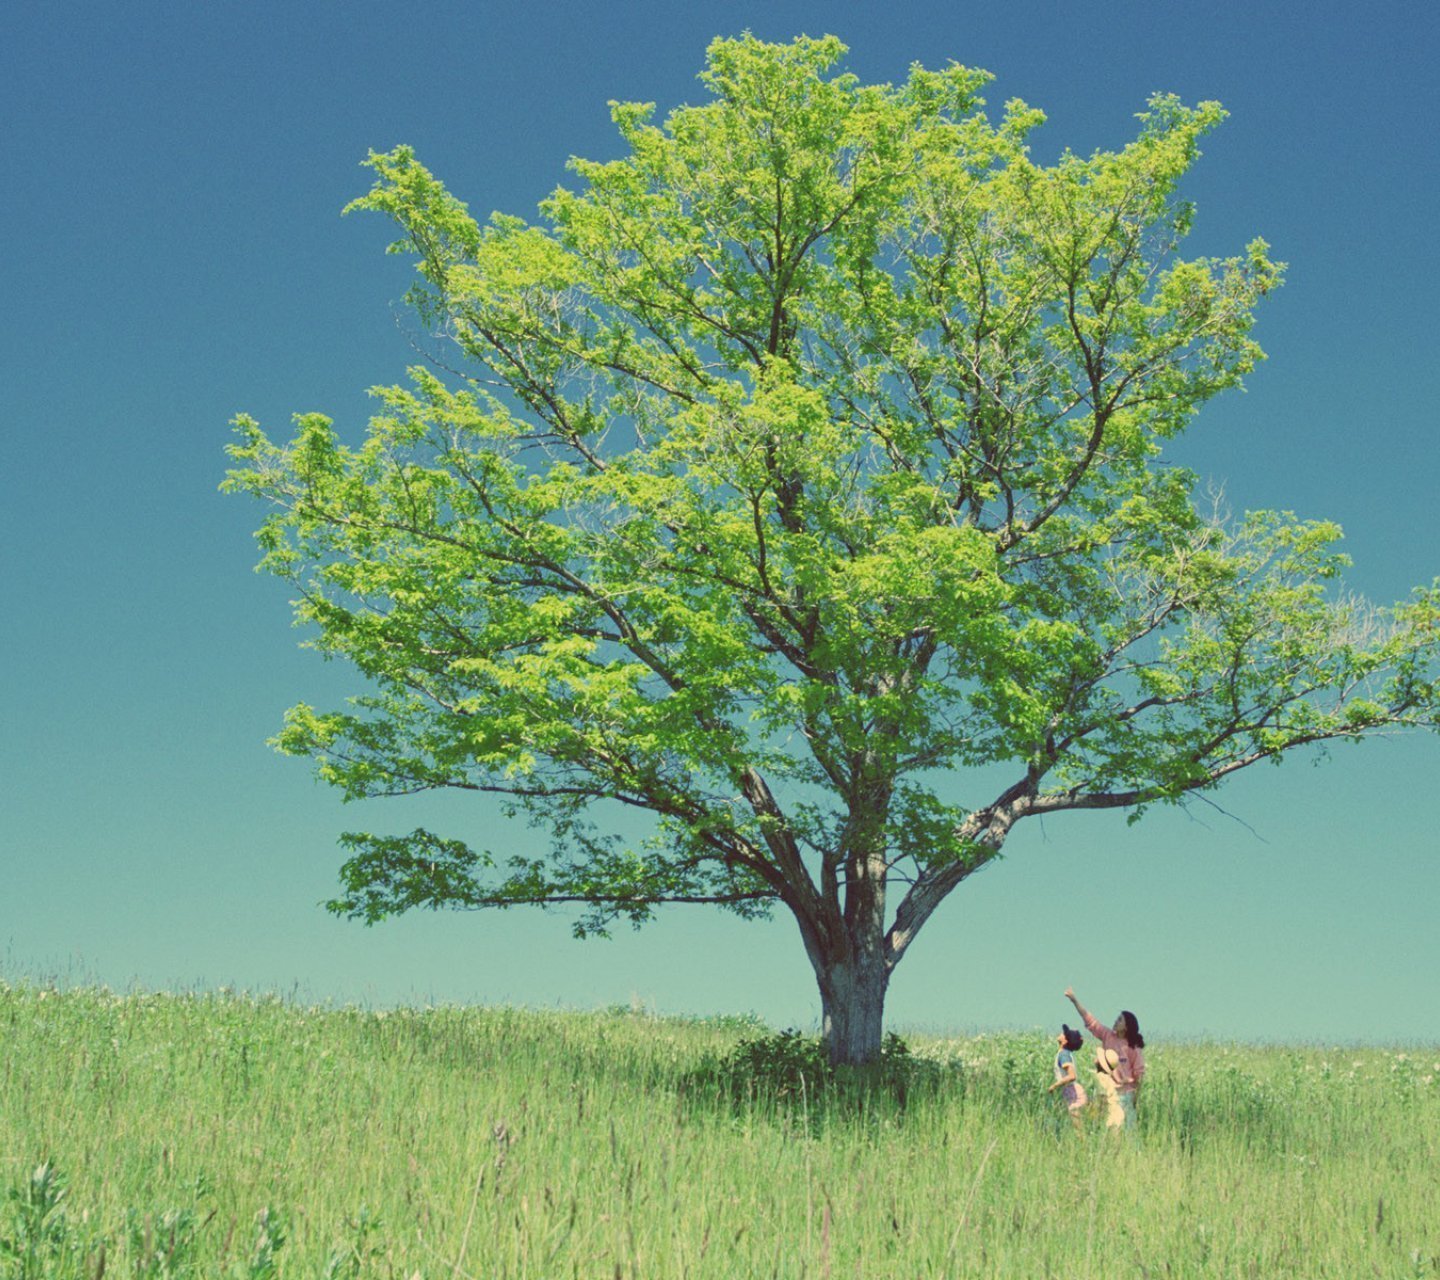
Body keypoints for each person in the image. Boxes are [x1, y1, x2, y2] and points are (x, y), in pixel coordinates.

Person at [1064, 987, 1145, 1129]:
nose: (1116, 1021)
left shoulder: (1133, 1048)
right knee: (1108, 1127)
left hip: (1125, 1095)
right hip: (1107, 1091)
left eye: (1120, 1020)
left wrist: (1135, 1099)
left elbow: (1139, 1076)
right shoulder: (1108, 1036)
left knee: (1126, 1130)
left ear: (1126, 1027)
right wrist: (1075, 1001)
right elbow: (1090, 1021)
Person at [1046, 1024, 1087, 1134]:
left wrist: (1054, 1086)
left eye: (1064, 1034)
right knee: (1075, 1126)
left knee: (1078, 1128)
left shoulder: (1063, 1055)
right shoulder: (1064, 1053)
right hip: (1070, 1092)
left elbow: (1072, 1076)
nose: (1061, 1034)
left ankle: (1085, 1149)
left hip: (1072, 1092)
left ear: (1065, 1041)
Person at [1091, 1046, 1129, 1130]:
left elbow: (1103, 1099)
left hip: (1111, 1116)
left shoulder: (1100, 1077)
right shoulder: (1106, 1077)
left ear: (1101, 1063)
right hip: (1117, 1114)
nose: (1096, 1057)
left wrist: (1097, 1116)